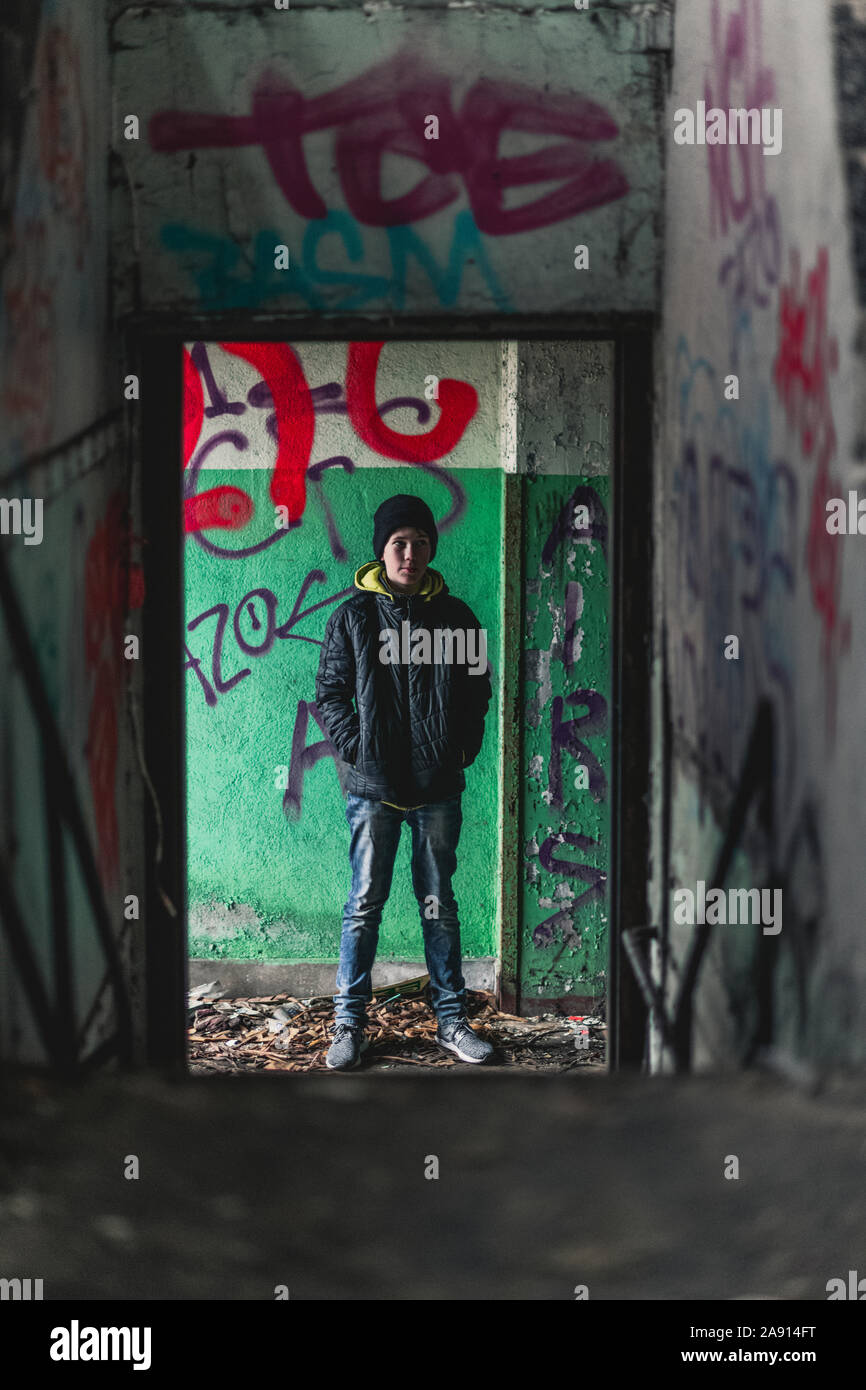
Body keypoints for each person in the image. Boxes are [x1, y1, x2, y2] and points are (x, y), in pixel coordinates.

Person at [315, 494, 493, 1070]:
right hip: (374, 789)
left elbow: (477, 691)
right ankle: (349, 1026)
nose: (409, 554)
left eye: (419, 542)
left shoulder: (458, 618)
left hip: (437, 787)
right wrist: (359, 750)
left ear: (430, 549)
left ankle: (451, 1022)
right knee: (365, 903)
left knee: (439, 905)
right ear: (382, 552)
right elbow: (330, 696)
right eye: (398, 544)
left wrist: (460, 749)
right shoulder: (353, 618)